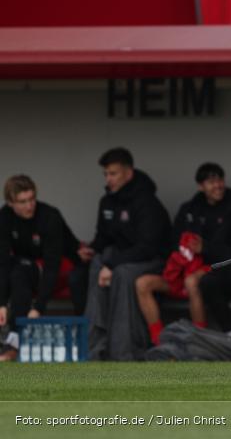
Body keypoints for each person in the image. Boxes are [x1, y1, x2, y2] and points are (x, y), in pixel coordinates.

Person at [133, 163, 231, 345]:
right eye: (211, 182)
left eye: (220, 180)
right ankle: (158, 341)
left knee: (192, 281)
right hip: (182, 270)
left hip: (217, 269)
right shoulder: (190, 208)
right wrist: (182, 255)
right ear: (201, 186)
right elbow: (174, 242)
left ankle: (200, 342)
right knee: (143, 283)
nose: (217, 186)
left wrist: (205, 248)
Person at [85, 148, 171, 361]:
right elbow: (103, 238)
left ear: (129, 173)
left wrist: (112, 265)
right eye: (106, 174)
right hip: (123, 260)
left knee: (122, 273)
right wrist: (90, 250)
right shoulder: (107, 201)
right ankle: (95, 347)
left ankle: (124, 350)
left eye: (113, 173)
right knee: (96, 263)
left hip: (154, 261)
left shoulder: (147, 203)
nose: (108, 179)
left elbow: (148, 248)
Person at [0, 175, 79, 361]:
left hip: (59, 268)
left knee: (19, 271)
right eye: (22, 202)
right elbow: (2, 261)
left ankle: (14, 345)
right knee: (16, 268)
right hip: (22, 268)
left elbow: (53, 266)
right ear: (10, 203)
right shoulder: (4, 217)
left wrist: (38, 308)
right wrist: (1, 303)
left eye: (32, 199)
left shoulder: (49, 216)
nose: (29, 206)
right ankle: (11, 340)